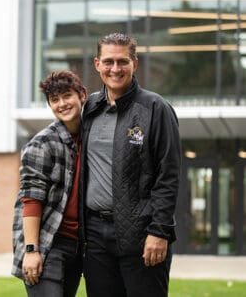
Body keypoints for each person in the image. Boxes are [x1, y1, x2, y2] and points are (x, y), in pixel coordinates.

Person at [80, 33, 181, 297]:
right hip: (95, 237)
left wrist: (160, 231)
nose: (115, 69)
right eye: (109, 61)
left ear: (135, 63)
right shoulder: (89, 107)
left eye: (122, 61)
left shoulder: (156, 108)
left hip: (142, 235)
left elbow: (167, 175)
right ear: (97, 64)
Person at [12, 70, 87, 297]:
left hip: (77, 245)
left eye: (67, 96)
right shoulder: (42, 144)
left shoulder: (92, 138)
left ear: (81, 95)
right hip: (47, 241)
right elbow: (31, 200)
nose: (62, 104)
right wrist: (32, 250)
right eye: (55, 100)